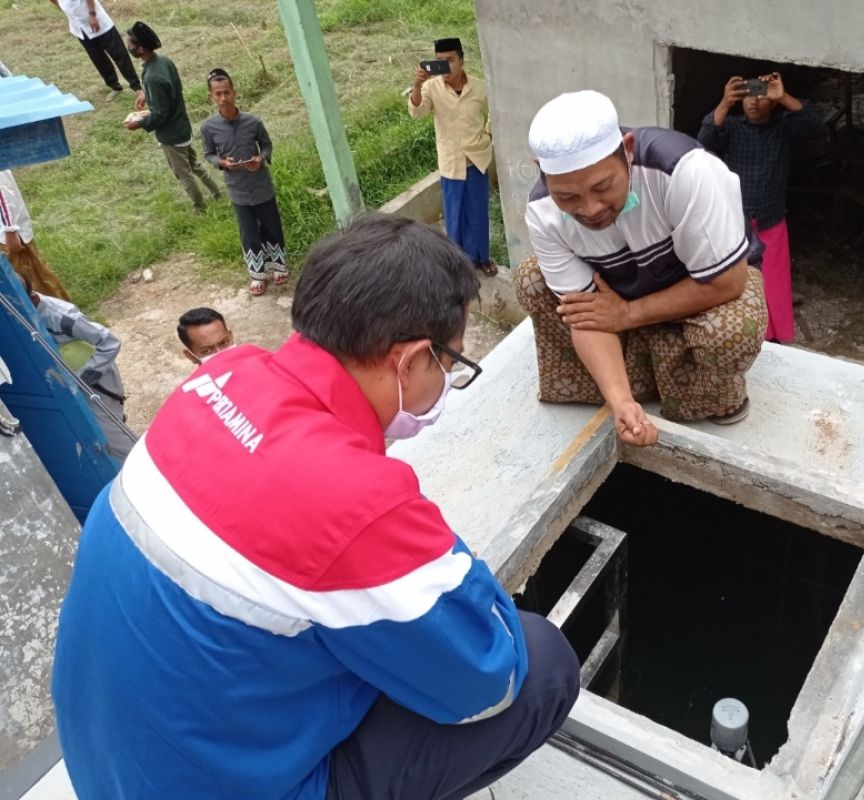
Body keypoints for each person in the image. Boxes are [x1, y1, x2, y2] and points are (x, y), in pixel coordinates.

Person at [51, 213, 580, 800]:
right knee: (543, 664)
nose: (447, 381)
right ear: (408, 362)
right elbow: (490, 680)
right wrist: (446, 565)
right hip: (224, 783)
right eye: (451, 363)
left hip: (106, 765)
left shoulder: (222, 375)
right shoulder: (358, 500)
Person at [516, 90, 768, 447]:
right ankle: (632, 386)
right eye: (568, 197)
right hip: (621, 295)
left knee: (732, 330)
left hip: (704, 292)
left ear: (628, 149)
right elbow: (585, 315)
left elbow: (726, 281)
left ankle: (707, 396)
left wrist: (629, 313)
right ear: (542, 174)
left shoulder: (684, 170)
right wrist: (621, 404)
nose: (589, 209)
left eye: (603, 187)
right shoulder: (542, 211)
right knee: (531, 279)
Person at [697, 72, 823, 344]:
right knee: (733, 276)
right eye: (748, 95)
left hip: (771, 218)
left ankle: (774, 334)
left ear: (773, 102)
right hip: (734, 218)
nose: (754, 102)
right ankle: (738, 330)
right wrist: (724, 103)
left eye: (762, 96)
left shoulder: (784, 128)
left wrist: (783, 96)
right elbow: (702, 143)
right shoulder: (731, 127)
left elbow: (815, 126)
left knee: (774, 280)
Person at [19, 273, 133, 462]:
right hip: (78, 380)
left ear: (31, 298)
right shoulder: (27, 312)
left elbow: (110, 341)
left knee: (119, 442)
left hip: (95, 380)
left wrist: (82, 378)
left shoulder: (61, 316)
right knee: (106, 427)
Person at [409, 37, 497, 276]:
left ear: (461, 61)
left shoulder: (479, 86)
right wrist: (417, 85)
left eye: (449, 60)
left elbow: (496, 110)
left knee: (478, 213)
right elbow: (417, 111)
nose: (445, 66)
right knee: (455, 216)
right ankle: (458, 265)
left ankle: (482, 258)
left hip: (476, 160)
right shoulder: (431, 88)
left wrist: (488, 134)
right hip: (451, 162)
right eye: (439, 61)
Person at [201, 68, 288, 295]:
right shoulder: (209, 128)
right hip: (237, 190)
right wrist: (222, 162)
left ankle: (278, 267)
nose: (223, 98)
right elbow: (208, 154)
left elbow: (267, 144)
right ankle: (257, 275)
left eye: (227, 92)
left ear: (234, 93)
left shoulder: (253, 122)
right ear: (211, 96)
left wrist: (261, 158)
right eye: (218, 94)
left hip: (261, 186)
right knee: (248, 232)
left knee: (271, 226)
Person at [122, 21, 222, 213]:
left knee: (183, 174)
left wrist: (140, 123)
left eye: (130, 46)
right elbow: (171, 90)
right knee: (194, 164)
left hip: (171, 136)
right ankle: (216, 192)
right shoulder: (164, 62)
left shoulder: (152, 76)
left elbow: (160, 113)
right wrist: (147, 94)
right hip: (182, 127)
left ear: (140, 49)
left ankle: (199, 208)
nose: (128, 49)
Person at [47, 0, 142, 101]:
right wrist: (63, 8)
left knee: (119, 55)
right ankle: (115, 86)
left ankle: (137, 87)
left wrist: (92, 15)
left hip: (98, 21)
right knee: (98, 59)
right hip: (80, 28)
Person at [1, 169, 72, 300]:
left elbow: (3, 193)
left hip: (6, 238)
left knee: (28, 280)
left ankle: (56, 315)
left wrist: (10, 230)